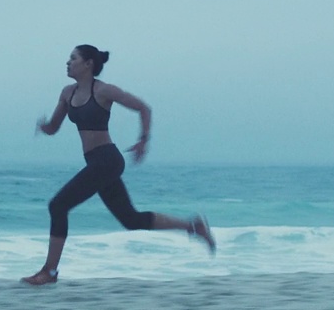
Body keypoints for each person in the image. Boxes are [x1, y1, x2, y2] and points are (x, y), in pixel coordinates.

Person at [22, 45, 215, 286]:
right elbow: (54, 127)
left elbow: (144, 108)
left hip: (108, 160)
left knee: (58, 206)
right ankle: (193, 226)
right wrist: (43, 127)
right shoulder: (67, 93)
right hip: (96, 162)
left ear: (88, 63)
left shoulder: (104, 91)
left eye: (73, 58)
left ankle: (49, 272)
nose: (67, 62)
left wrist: (143, 140)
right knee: (131, 220)